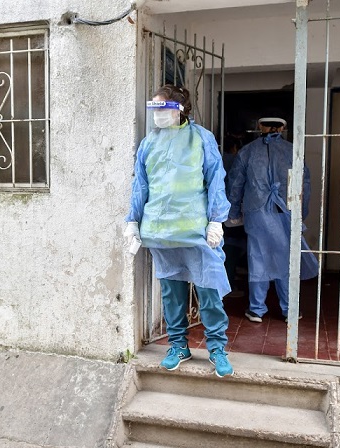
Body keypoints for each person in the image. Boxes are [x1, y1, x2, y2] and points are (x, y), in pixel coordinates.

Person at [124, 85, 234, 377]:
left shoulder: (201, 138)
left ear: (180, 109)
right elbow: (141, 185)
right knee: (172, 292)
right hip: (161, 230)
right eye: (154, 108)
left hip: (196, 230)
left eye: (163, 108)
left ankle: (217, 348)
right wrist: (133, 220)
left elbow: (215, 179)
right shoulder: (149, 143)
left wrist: (216, 220)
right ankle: (178, 346)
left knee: (209, 290)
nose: (157, 115)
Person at [227, 117, 319, 323]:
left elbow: (235, 186)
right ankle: (289, 310)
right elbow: (304, 186)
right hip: (286, 212)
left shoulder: (247, 151)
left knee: (257, 258)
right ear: (284, 127)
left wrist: (233, 214)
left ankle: (257, 309)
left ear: (259, 126)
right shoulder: (293, 151)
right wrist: (300, 215)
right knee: (286, 261)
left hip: (256, 213)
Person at [222, 135, 246, 298]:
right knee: (232, 247)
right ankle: (229, 284)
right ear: (235, 148)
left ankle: (228, 279)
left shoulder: (217, 158)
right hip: (232, 210)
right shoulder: (236, 161)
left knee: (224, 248)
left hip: (217, 210)